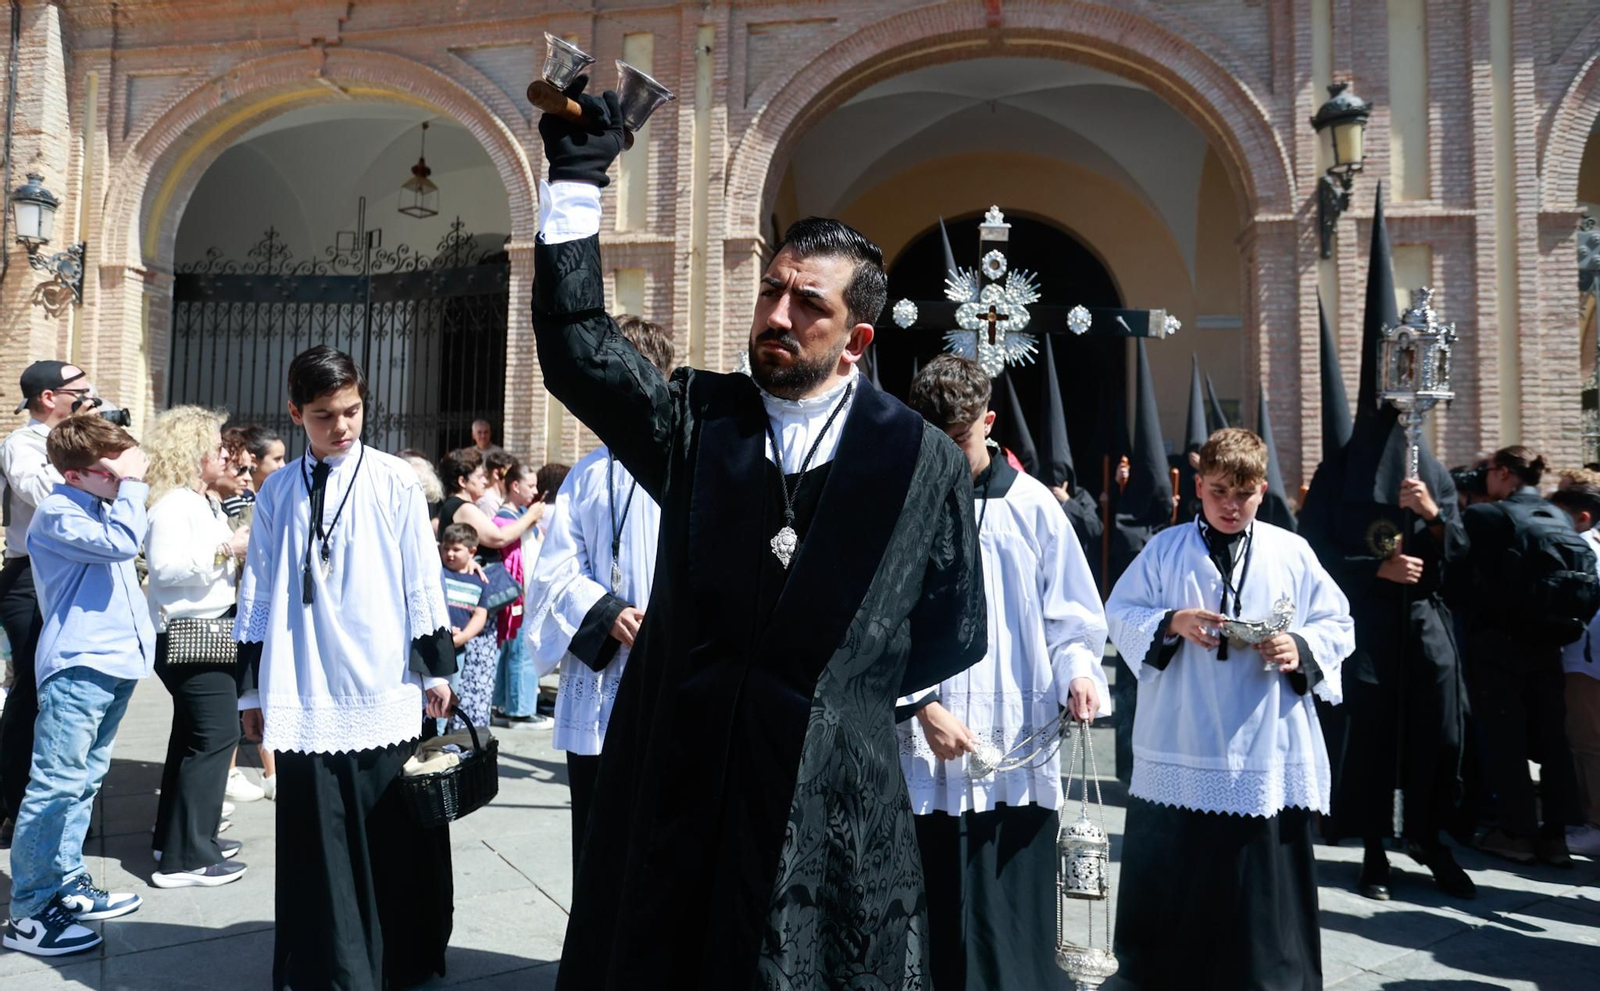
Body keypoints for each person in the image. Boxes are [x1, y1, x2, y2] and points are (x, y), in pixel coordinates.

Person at [532, 80, 985, 987]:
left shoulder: (921, 459)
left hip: (829, 808)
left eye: (806, 304)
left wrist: (832, 696)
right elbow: (579, 349)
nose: (776, 316)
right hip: (677, 786)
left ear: (856, 338)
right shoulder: (701, 418)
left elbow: (947, 621)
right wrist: (575, 183)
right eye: (771, 290)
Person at [235, 345, 457, 989]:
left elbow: (423, 579)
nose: (342, 426)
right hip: (302, 684)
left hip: (383, 679)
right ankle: (332, 968)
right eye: (324, 415)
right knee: (318, 841)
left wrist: (436, 671)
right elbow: (256, 594)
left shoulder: (393, 481)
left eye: (352, 411)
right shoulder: (277, 490)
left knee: (388, 832)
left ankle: (398, 960)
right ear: (295, 413)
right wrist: (250, 689)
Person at [1105, 428, 1353, 991]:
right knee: (1179, 873)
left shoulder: (1291, 551)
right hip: (1183, 733)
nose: (1230, 505)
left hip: (1264, 739)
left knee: (1259, 879)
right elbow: (1117, 612)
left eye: (1243, 493)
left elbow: (1338, 622)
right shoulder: (1166, 549)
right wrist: (1172, 621)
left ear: (1262, 490)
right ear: (1198, 486)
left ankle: (1270, 978)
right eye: (1218, 491)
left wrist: (1301, 647)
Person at [898, 355, 1108, 990]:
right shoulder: (896, 501)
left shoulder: (1035, 507)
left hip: (1015, 737)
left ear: (988, 423)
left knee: (1008, 918)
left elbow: (1071, 615)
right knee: (922, 914)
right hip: (922, 740)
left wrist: (1079, 673)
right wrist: (921, 705)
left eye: (958, 441)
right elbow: (874, 621)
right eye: (933, 439)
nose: (947, 455)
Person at [1298, 405, 1475, 899]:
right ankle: (1374, 848)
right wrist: (1373, 570)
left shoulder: (1432, 474)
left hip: (1422, 622)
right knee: (1371, 737)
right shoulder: (1336, 475)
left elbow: (1462, 551)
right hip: (1365, 626)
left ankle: (1430, 839)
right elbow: (1312, 551)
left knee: (1439, 732)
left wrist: (1432, 516)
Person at [524, 314, 672, 867]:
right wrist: (606, 612)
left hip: (672, 672)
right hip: (604, 676)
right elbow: (552, 576)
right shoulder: (586, 475)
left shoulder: (692, 464)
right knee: (599, 840)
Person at [3, 414, 153, 957]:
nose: (126, 478)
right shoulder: (57, 512)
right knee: (54, 786)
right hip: (78, 666)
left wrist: (124, 490)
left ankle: (65, 884)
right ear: (76, 474)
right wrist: (133, 487)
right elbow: (120, 544)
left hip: (114, 663)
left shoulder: (104, 507)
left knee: (84, 782)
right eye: (112, 471)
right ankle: (29, 912)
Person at [1458, 446, 1586, 867]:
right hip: (1549, 642)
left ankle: (1515, 833)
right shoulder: (1560, 517)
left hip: (1498, 645)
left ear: (1502, 473)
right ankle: (1555, 837)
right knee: (1553, 741)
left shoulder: (1486, 516)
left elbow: (1457, 570)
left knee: (1505, 739)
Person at [142, 406, 250, 887]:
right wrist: (228, 549)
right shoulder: (173, 505)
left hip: (207, 629)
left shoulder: (199, 501)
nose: (224, 454)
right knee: (214, 737)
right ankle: (186, 858)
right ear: (191, 453)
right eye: (215, 446)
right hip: (190, 632)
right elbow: (164, 570)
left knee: (191, 737)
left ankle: (181, 838)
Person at [0, 361, 97, 839]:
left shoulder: (81, 437)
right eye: (79, 391)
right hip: (28, 576)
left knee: (66, 685)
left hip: (72, 572)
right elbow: (43, 493)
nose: (88, 396)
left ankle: (56, 791)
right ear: (48, 398)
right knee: (31, 690)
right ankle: (15, 801)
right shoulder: (22, 445)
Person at [1549, 479, 1600, 858]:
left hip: (1586, 663)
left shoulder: (1584, 547)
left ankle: (1594, 824)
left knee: (1587, 746)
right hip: (1585, 660)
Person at [490, 463, 550, 729]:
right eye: (530, 485)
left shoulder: (523, 515)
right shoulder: (505, 518)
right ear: (515, 486)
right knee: (521, 651)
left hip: (524, 596)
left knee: (515, 649)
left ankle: (506, 705)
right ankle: (519, 710)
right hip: (518, 597)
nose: (535, 491)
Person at [439, 523, 496, 733]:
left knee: (448, 693)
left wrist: (463, 636)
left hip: (457, 648)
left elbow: (480, 614)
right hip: (436, 643)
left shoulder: (479, 581)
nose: (449, 554)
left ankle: (439, 734)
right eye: (446, 548)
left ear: (472, 551)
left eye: (456, 549)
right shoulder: (438, 573)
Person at [437, 448, 540, 552]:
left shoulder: (456, 505)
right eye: (479, 477)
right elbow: (498, 538)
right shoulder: (463, 508)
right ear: (462, 481)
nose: (485, 481)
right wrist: (530, 516)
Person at [476, 449, 515, 516]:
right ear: (496, 474)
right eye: (510, 474)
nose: (514, 479)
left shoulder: (502, 498)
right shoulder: (488, 502)